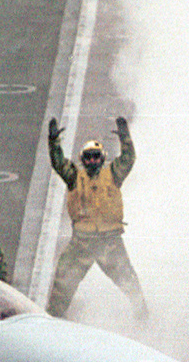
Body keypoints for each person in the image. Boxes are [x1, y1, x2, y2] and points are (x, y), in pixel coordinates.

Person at [46, 115, 147, 319]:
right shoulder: (75, 176)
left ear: (102, 158)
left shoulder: (113, 174)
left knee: (129, 281)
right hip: (82, 241)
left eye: (96, 156)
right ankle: (52, 320)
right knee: (62, 280)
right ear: (83, 160)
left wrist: (125, 137)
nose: (92, 160)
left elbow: (129, 159)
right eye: (88, 157)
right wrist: (53, 142)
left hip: (109, 240)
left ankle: (143, 317)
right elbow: (58, 163)